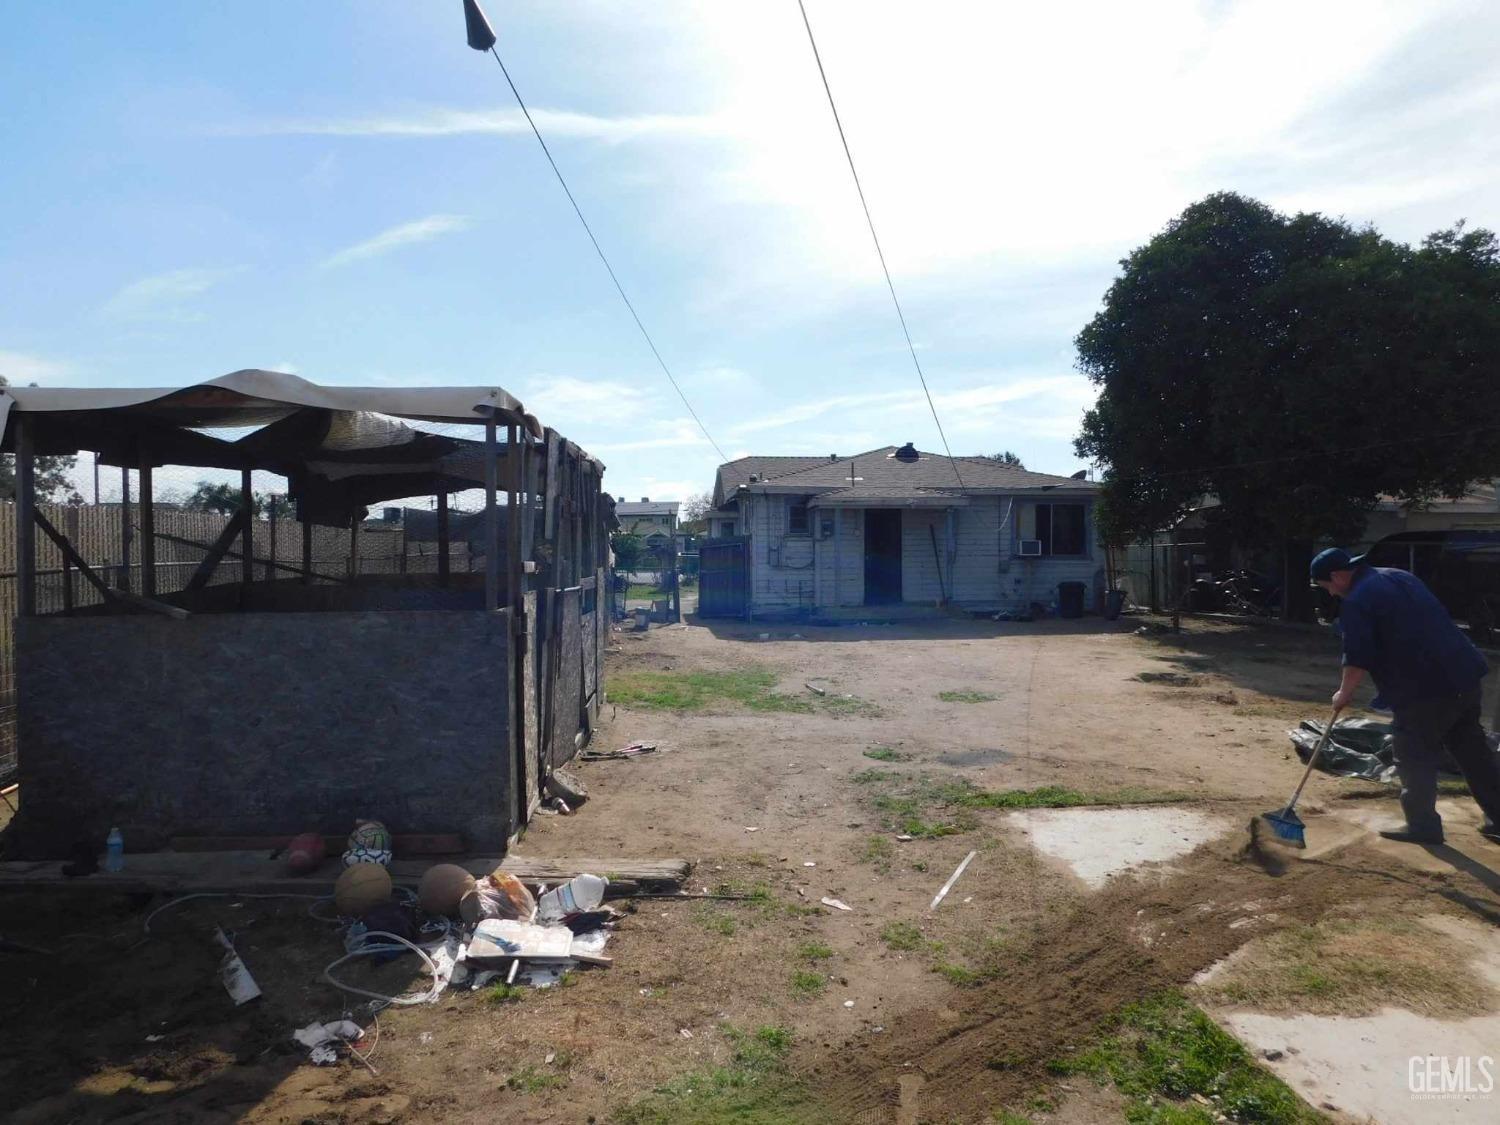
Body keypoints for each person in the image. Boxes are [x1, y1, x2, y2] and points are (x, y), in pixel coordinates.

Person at [1312, 547, 1500, 844]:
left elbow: (1358, 656)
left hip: (1424, 689)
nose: (1332, 594)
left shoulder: (1358, 601)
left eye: (1327, 587)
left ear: (1337, 576)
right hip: (1464, 675)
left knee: (1414, 755)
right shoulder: (1399, 576)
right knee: (1472, 751)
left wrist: (1343, 693)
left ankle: (1423, 826)